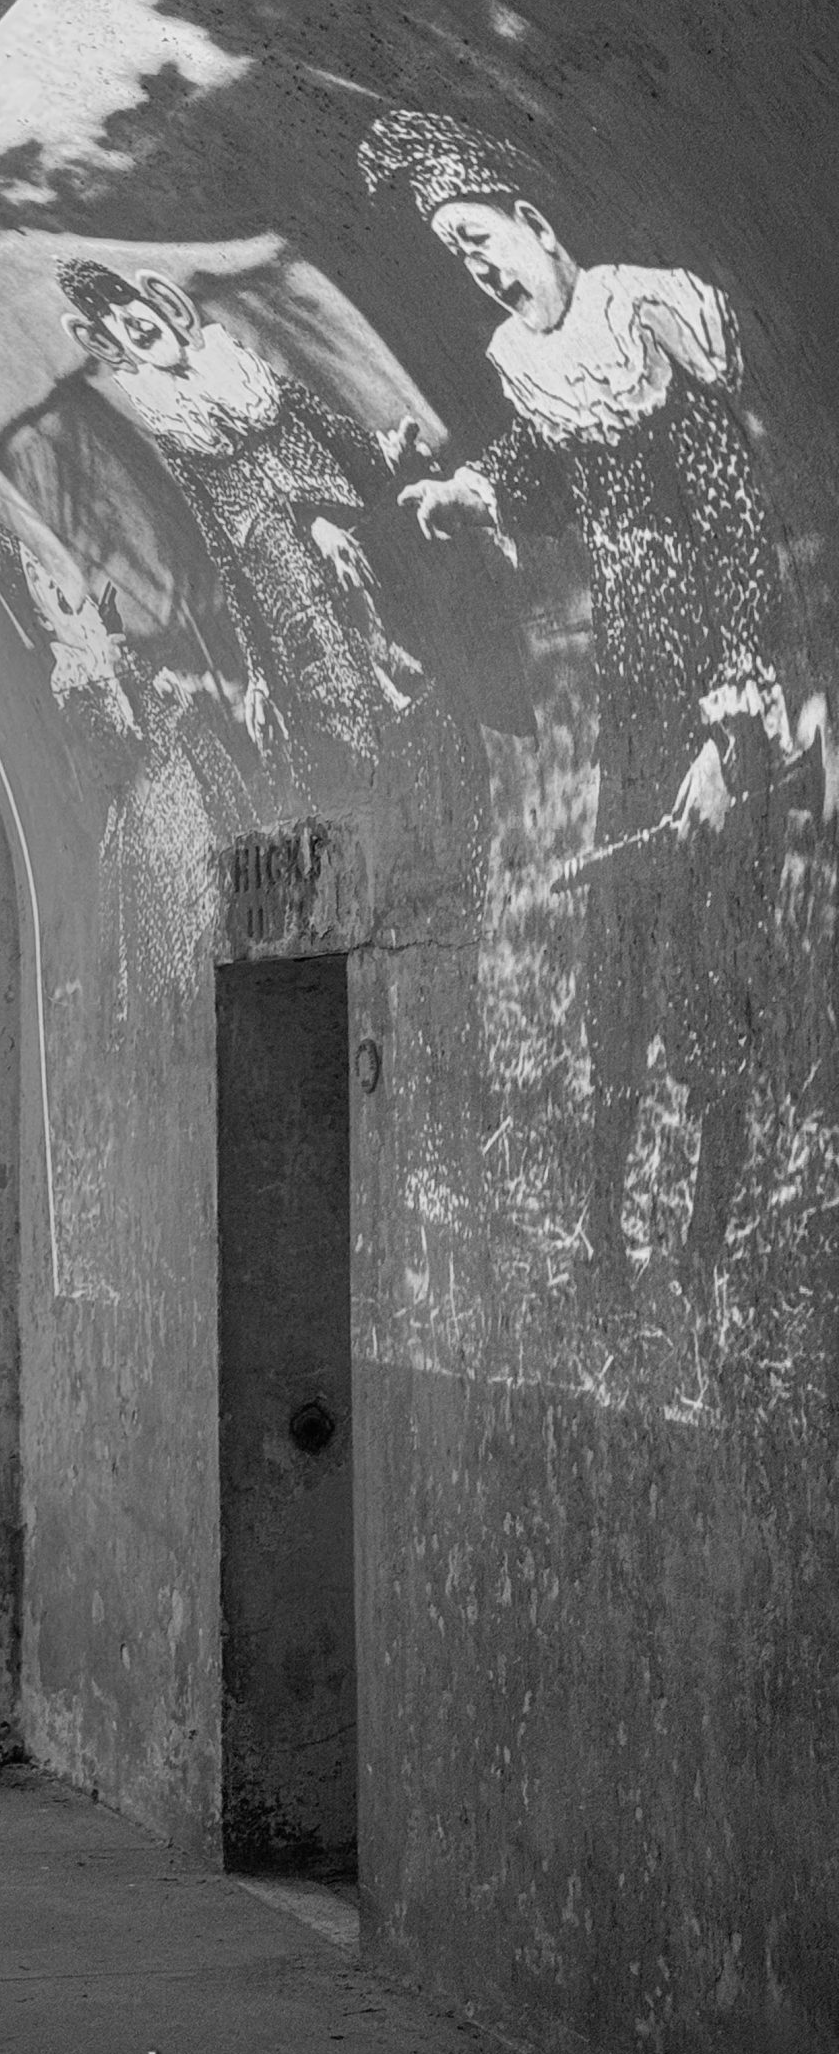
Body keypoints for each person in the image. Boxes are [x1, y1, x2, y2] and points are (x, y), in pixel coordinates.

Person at [360, 107, 795, 1283]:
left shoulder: (647, 324)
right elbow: (547, 470)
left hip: (713, 699)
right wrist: (467, 485)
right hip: (632, 703)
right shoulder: (535, 365)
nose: (480, 266)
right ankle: (605, 1247)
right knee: (618, 959)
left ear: (535, 223)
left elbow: (738, 534)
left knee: (710, 965)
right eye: (456, 256)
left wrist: (732, 727)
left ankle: (702, 1246)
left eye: (481, 237)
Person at [58, 258, 426, 794]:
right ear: (113, 346)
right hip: (285, 590)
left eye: (127, 304)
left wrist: (385, 451)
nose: (127, 319)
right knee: (355, 720)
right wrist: (258, 667)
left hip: (345, 540)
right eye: (112, 320)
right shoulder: (172, 425)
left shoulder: (239, 367)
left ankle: (395, 686)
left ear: (165, 306)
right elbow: (224, 548)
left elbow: (327, 429)